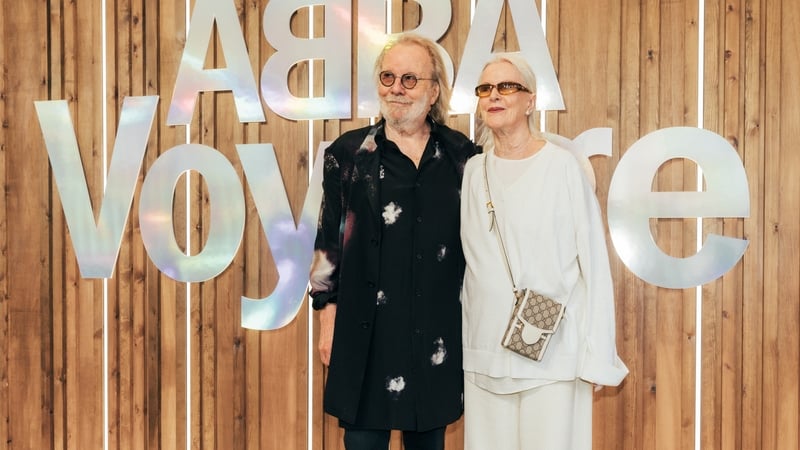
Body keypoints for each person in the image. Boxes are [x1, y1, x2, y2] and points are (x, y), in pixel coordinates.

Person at [308, 33, 478, 450]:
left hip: (435, 333)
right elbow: (327, 243)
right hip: (364, 334)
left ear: (433, 89)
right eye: (387, 77)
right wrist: (326, 322)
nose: (395, 88)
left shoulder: (463, 157)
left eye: (409, 78)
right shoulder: (349, 153)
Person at [459, 53, 628, 449]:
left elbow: (594, 262)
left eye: (506, 86)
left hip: (552, 350)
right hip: (485, 354)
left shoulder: (563, 166)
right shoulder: (473, 171)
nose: (494, 96)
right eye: (485, 89)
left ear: (530, 100)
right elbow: (470, 266)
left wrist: (598, 353)